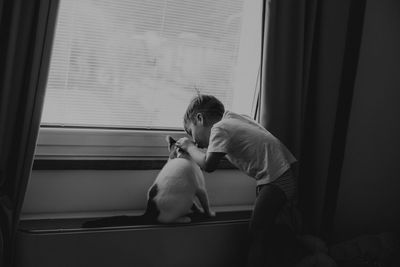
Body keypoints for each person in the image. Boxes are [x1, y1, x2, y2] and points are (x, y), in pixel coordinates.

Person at [176, 94, 298, 267]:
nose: (196, 142)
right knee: (271, 230)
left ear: (200, 118)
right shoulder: (234, 119)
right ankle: (301, 249)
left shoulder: (219, 128)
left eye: (191, 132)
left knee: (257, 232)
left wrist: (188, 146)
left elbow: (208, 164)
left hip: (276, 178)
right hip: (283, 174)